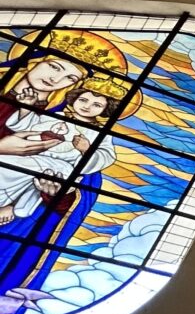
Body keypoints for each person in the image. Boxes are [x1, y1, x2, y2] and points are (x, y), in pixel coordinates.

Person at [0, 79, 119, 226]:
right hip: (33, 157)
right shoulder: (56, 115)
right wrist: (26, 109)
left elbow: (107, 156)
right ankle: (9, 204)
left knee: (44, 181)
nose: (87, 106)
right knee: (10, 165)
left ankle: (18, 209)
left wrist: (86, 149)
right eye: (83, 99)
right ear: (74, 98)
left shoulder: (101, 133)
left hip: (63, 168)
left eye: (97, 105)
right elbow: (28, 127)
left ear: (106, 110)